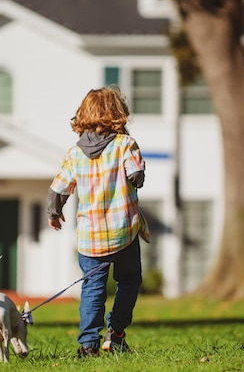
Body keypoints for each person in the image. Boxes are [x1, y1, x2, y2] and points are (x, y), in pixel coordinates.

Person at [47, 86, 150, 357]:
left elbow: (59, 189)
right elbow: (136, 175)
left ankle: (88, 345)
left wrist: (54, 213)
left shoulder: (74, 153)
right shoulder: (125, 144)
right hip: (123, 230)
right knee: (129, 280)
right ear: (118, 113)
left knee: (92, 287)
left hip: (90, 237)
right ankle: (115, 334)